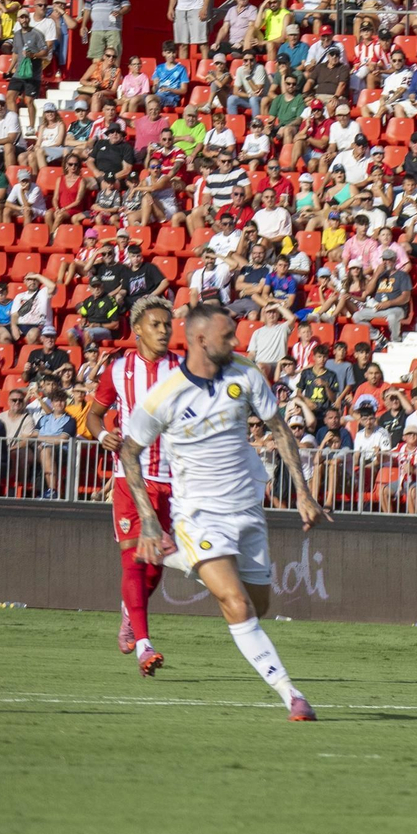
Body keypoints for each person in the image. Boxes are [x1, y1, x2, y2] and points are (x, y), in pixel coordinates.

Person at [122, 304, 333, 721]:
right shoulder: (164, 396)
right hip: (199, 515)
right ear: (201, 340)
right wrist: (149, 519)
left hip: (248, 510)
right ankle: (291, 694)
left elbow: (278, 428)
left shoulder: (246, 372)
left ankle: (179, 556)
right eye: (228, 336)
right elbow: (130, 453)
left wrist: (303, 494)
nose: (237, 342)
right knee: (235, 604)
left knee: (258, 606)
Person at [84, 295, 182, 676]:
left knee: (157, 565)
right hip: (131, 478)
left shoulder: (183, 369)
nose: (163, 330)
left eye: (167, 325)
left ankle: (129, 613)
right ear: (137, 328)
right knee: (134, 559)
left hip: (174, 480)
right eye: (155, 325)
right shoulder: (119, 369)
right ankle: (144, 644)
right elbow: (94, 415)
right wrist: (102, 435)